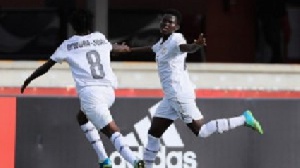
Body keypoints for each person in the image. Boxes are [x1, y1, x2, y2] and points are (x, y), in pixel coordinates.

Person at [126, 9, 263, 168]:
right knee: (153, 133)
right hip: (170, 98)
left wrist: (195, 46)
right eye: (164, 21)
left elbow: (186, 48)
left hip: (179, 95)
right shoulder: (162, 43)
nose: (166, 24)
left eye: (170, 22)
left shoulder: (176, 39)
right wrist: (128, 50)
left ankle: (244, 119)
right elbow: (151, 48)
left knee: (202, 131)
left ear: (176, 27)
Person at [20, 9, 144, 168]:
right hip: (109, 91)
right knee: (82, 117)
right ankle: (104, 160)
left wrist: (29, 79)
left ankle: (135, 161)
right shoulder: (99, 38)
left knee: (111, 131)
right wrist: (122, 48)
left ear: (73, 27)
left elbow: (47, 66)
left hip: (91, 94)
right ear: (90, 24)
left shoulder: (68, 45)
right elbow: (114, 49)